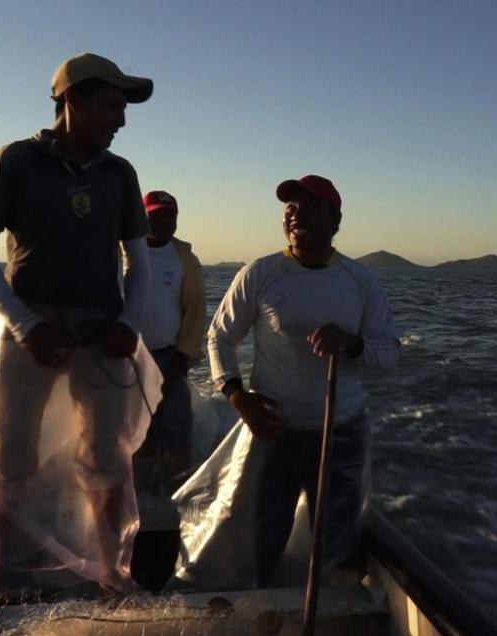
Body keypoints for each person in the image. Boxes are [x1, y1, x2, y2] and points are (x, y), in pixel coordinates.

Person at [0, 53, 157, 595]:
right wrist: (26, 324)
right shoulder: (15, 161)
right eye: (110, 106)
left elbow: (139, 264)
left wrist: (129, 322)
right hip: (27, 329)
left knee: (107, 460)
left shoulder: (120, 173)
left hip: (103, 331)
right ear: (70, 101)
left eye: (122, 110)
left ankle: (112, 576)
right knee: (8, 460)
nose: (120, 121)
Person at [208, 175, 399, 587]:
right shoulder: (260, 273)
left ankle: (333, 613)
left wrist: (349, 343)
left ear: (336, 220)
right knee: (262, 538)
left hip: (340, 432)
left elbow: (389, 351)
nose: (296, 214)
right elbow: (220, 336)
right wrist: (237, 396)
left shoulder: (360, 280)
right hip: (272, 431)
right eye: (290, 208)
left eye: (310, 205)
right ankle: (265, 615)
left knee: (338, 545)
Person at [135, 190, 206, 495]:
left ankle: (176, 498)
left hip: (170, 358)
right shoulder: (122, 252)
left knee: (177, 426)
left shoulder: (185, 259)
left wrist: (185, 352)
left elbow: (197, 309)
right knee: (136, 431)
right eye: (155, 214)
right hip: (128, 359)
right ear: (142, 216)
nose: (162, 220)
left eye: (168, 215)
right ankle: (137, 495)